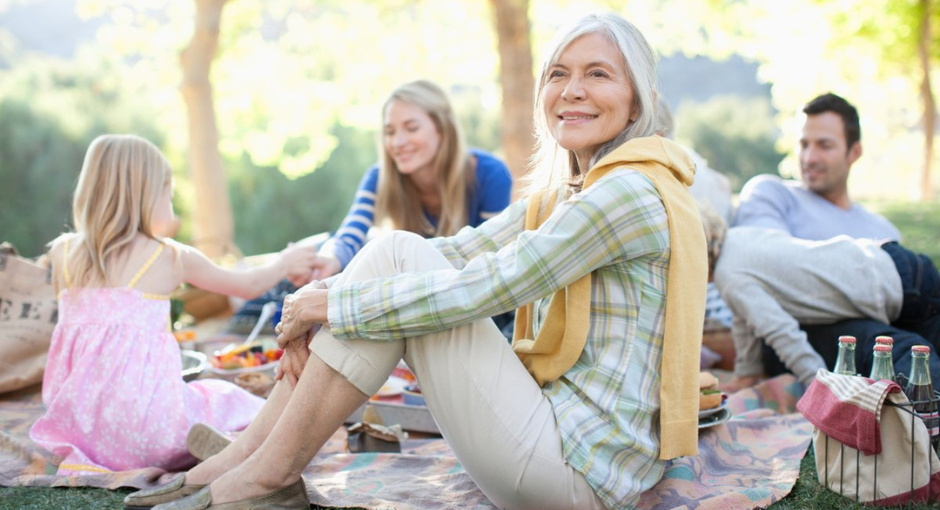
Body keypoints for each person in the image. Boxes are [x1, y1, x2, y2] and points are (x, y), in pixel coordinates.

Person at [125, 12, 707, 510]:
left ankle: (263, 470)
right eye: (559, 74)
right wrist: (327, 305)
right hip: (552, 444)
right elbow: (454, 252)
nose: (572, 89)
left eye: (598, 74)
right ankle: (252, 458)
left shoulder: (627, 192)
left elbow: (493, 285)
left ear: (638, 99)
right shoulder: (572, 192)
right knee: (396, 250)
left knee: (393, 271)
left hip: (579, 475)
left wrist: (331, 302)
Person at [28, 134, 319, 476]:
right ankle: (233, 448)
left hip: (79, 430)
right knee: (225, 397)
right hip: (153, 435)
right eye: (167, 190)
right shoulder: (168, 256)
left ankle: (221, 446)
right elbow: (248, 284)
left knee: (201, 400)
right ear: (148, 194)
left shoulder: (62, 254)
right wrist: (285, 261)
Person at [227, 80, 514, 335]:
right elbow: (350, 232)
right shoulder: (380, 177)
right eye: (390, 132)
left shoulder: (489, 174)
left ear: (442, 129)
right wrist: (328, 260)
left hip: (468, 297)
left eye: (411, 128)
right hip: (412, 289)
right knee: (329, 249)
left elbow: (486, 260)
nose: (398, 142)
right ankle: (256, 314)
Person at [732, 92, 936, 387]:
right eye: (804, 144)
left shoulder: (882, 229)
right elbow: (767, 278)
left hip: (876, 325)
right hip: (798, 330)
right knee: (902, 348)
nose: (809, 157)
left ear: (854, 153)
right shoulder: (771, 194)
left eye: (824, 145)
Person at [709, 222, 940, 390]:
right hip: (887, 264)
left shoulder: (729, 276)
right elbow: (744, 317)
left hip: (898, 285)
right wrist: (747, 373)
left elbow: (782, 333)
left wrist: (822, 389)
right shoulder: (735, 241)